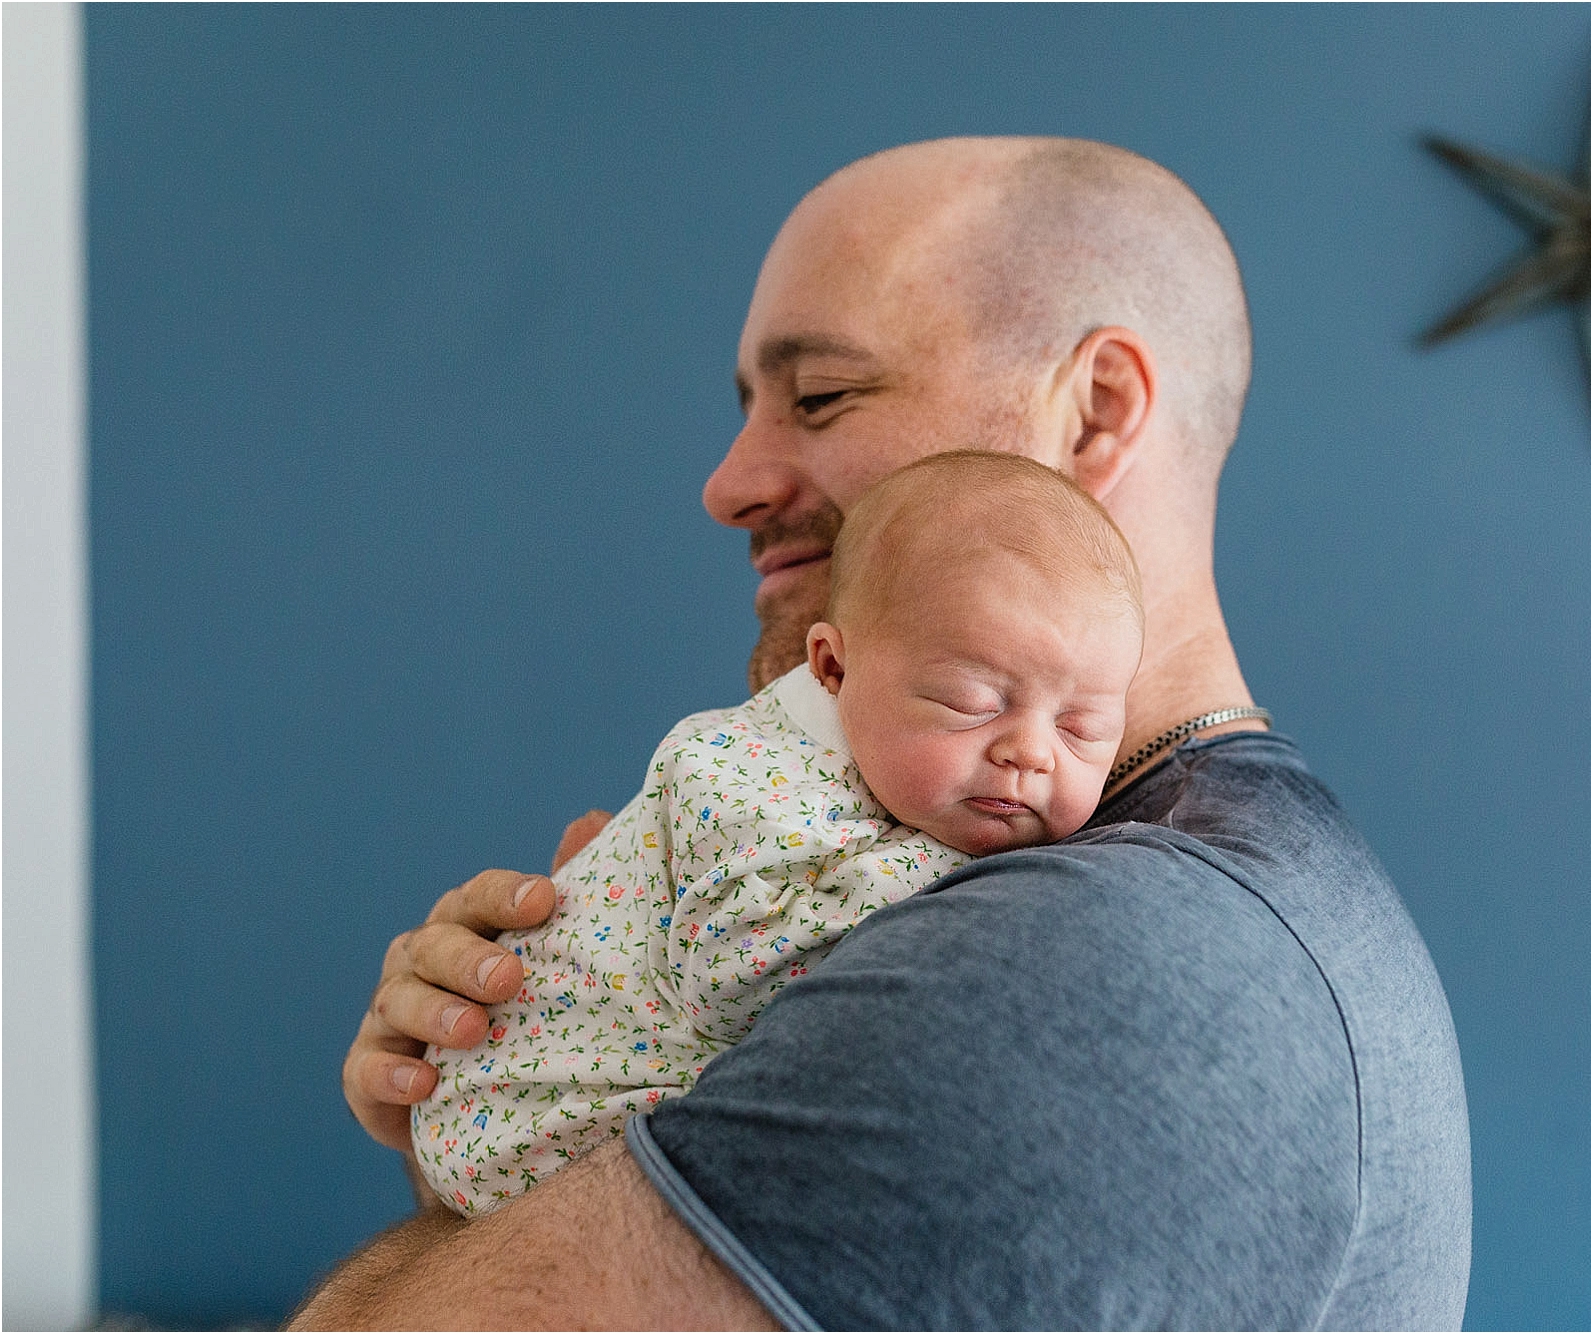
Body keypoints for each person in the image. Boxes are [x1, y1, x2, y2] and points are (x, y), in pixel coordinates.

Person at [298, 135, 1471, 1330]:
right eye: (748, 409)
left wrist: (466, 1234)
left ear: (1094, 411)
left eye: (819, 395)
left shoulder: (1090, 953)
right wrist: (523, 1065)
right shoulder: (1200, 892)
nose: (726, 483)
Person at [414, 451, 1145, 1217]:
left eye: (1082, 728)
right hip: (518, 1115)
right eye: (970, 702)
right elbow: (731, 981)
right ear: (833, 667)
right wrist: (945, 866)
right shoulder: (745, 775)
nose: (1031, 754)